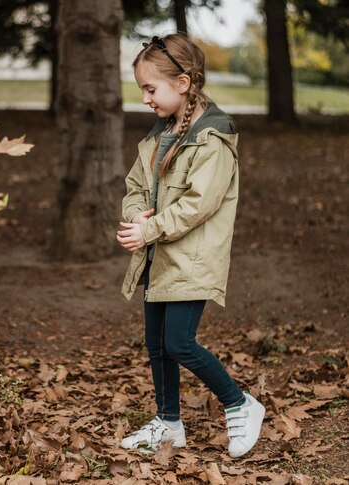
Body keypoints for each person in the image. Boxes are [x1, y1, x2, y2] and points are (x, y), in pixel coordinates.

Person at [116, 33, 265, 458]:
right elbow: (134, 185)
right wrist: (137, 214)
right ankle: (168, 424)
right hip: (158, 256)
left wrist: (150, 229)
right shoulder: (160, 133)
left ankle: (241, 403)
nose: (145, 98)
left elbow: (198, 205)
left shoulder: (212, 139)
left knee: (179, 344)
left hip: (191, 259)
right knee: (156, 343)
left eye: (150, 88)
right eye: (141, 89)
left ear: (183, 83)